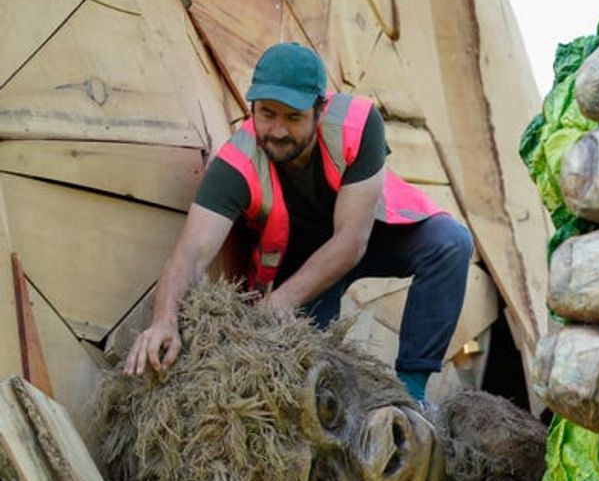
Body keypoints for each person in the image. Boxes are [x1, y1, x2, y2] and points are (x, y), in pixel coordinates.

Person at [124, 42, 473, 400]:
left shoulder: (358, 123)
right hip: (299, 260)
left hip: (367, 234)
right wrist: (164, 319)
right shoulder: (235, 164)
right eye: (267, 114)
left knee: (450, 242)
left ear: (320, 110)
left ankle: (412, 394)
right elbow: (189, 255)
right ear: (252, 107)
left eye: (293, 117)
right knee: (304, 379)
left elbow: (351, 240)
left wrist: (279, 304)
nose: (277, 130)